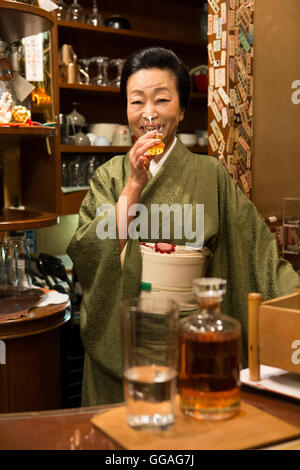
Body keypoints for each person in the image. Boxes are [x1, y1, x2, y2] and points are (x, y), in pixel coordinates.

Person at [67, 47, 300, 407]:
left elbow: (256, 253)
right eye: (136, 102)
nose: (149, 114)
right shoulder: (109, 176)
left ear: (181, 109)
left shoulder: (212, 176)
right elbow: (90, 251)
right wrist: (133, 184)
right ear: (126, 110)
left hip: (193, 339)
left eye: (161, 99)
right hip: (129, 334)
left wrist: (294, 299)